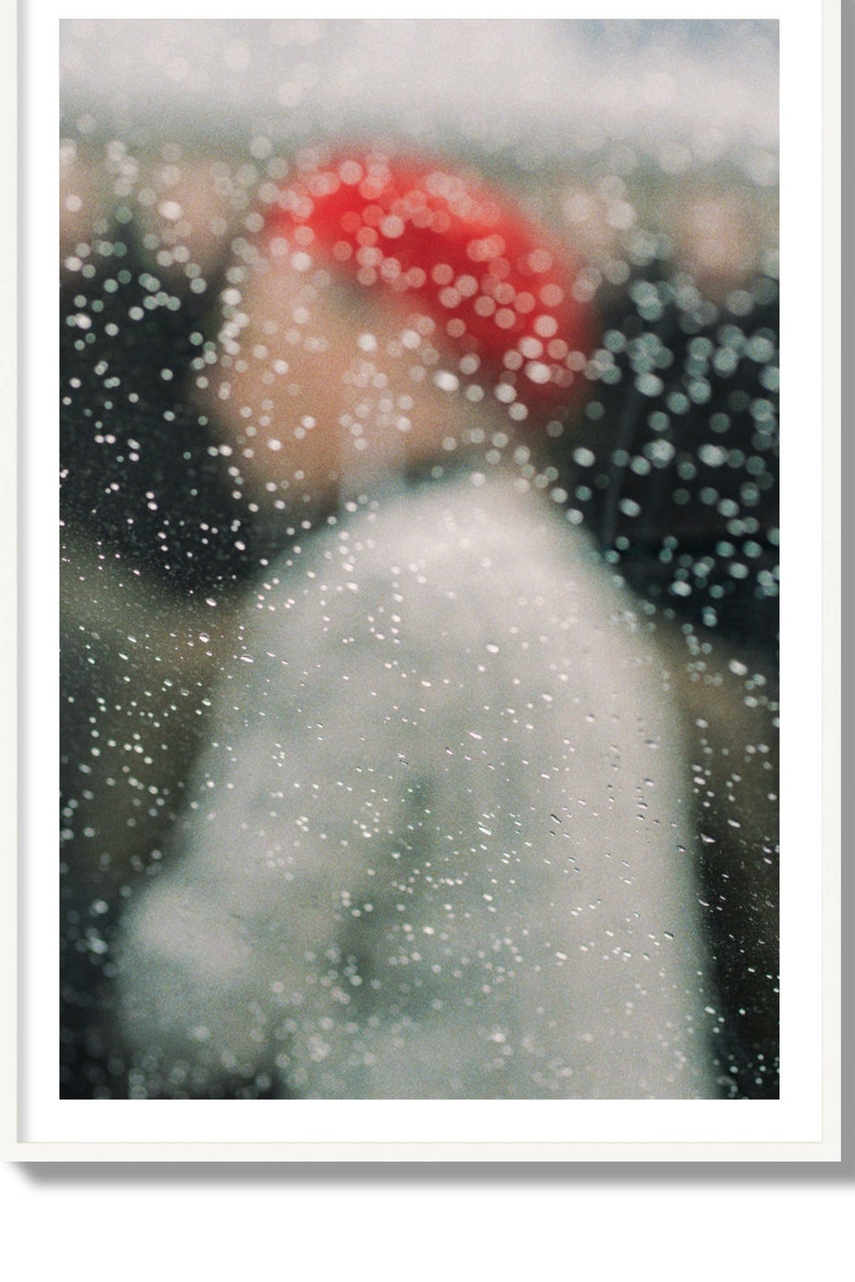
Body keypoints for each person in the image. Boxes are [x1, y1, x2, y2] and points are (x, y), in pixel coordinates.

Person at [117, 151, 722, 1099]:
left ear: (387, 341)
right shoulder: (539, 569)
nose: (217, 385)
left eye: (250, 335)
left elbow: (203, 1004)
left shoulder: (390, 586)